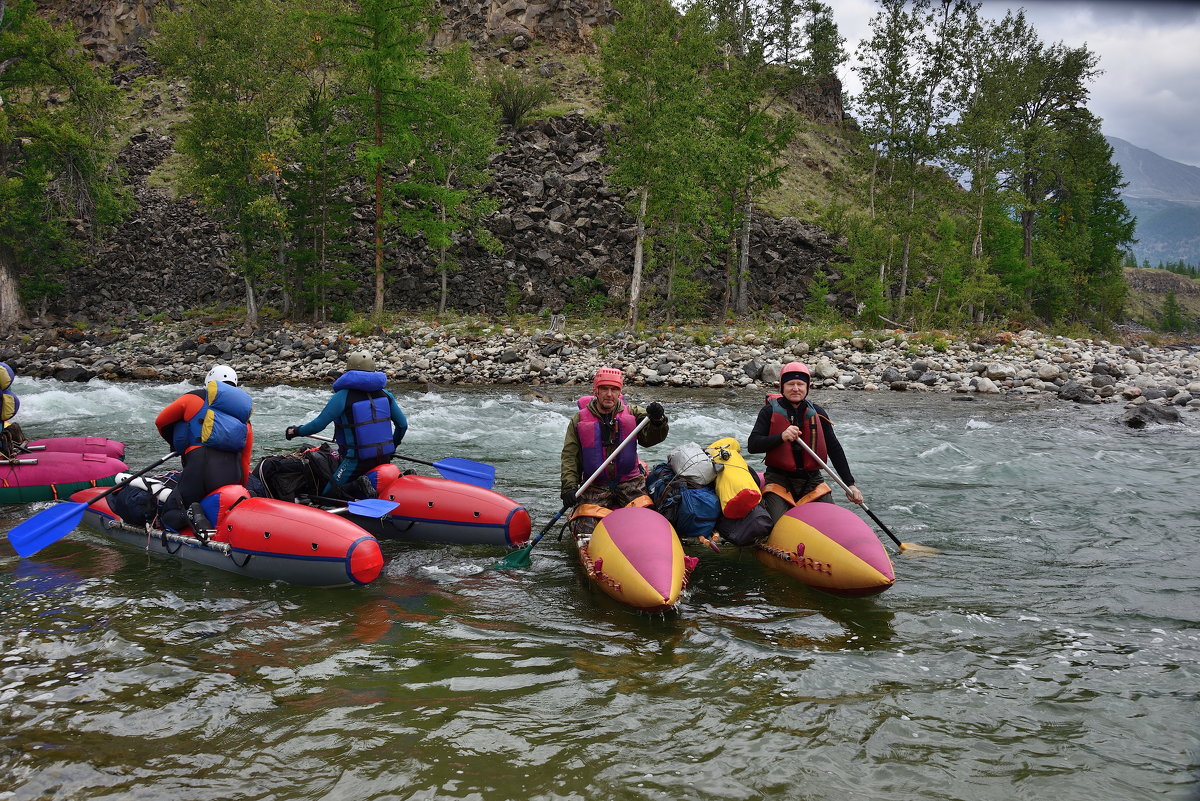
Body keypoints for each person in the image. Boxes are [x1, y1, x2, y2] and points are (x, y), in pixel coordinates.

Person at [747, 360, 863, 522]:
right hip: (779, 480)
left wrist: (850, 484)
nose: (795, 388)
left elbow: (834, 448)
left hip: (812, 481)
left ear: (807, 387)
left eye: (800, 384)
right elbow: (753, 445)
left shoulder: (818, 413)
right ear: (782, 387)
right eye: (790, 384)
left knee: (831, 521)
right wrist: (781, 437)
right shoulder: (769, 411)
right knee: (777, 524)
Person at [559, 366, 668, 537]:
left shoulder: (634, 413)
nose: (609, 394)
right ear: (596, 390)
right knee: (584, 531)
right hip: (595, 484)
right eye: (604, 388)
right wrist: (569, 487)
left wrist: (658, 421)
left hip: (630, 482)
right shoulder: (579, 419)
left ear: (620, 392)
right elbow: (570, 456)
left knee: (650, 522)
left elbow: (650, 439)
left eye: (614, 389)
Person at [285, 351, 408, 492]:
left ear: (348, 370)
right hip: (384, 457)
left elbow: (318, 424)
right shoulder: (386, 395)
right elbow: (402, 425)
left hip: (356, 461)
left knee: (328, 495)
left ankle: (359, 486)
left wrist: (296, 431)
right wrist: (393, 447)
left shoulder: (343, 396)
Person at [154, 365, 253, 533]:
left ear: (209, 381)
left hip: (200, 470)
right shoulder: (244, 418)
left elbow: (161, 421)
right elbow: (245, 459)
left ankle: (188, 515)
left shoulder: (195, 397)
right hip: (233, 476)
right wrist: (240, 487)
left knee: (169, 515)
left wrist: (177, 444)